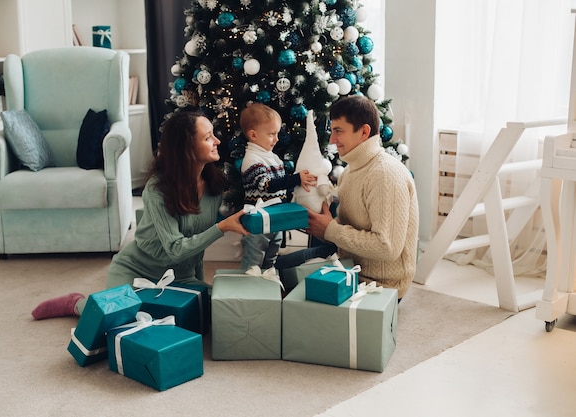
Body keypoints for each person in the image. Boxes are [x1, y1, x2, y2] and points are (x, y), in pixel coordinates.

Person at [31, 111, 250, 320]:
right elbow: (175, 249)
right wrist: (222, 228)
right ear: (187, 148)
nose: (217, 141)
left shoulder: (215, 187)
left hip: (181, 277)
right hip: (136, 271)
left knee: (220, 309)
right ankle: (77, 303)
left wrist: (199, 291)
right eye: (207, 137)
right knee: (121, 317)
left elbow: (197, 249)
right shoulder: (158, 189)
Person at [278, 95, 419, 300]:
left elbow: (387, 247)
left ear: (364, 132)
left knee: (293, 302)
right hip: (349, 266)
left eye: (338, 131)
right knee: (278, 269)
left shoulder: (384, 174)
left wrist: (330, 230)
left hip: (380, 285)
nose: (333, 140)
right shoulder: (351, 170)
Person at [239, 102, 317, 270]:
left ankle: (267, 282)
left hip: (274, 217)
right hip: (258, 220)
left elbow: (280, 190)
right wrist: (295, 179)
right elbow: (267, 185)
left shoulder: (272, 157)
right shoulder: (252, 160)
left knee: (272, 253)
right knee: (254, 257)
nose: (276, 139)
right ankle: (248, 285)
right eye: (271, 134)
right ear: (253, 135)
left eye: (277, 134)